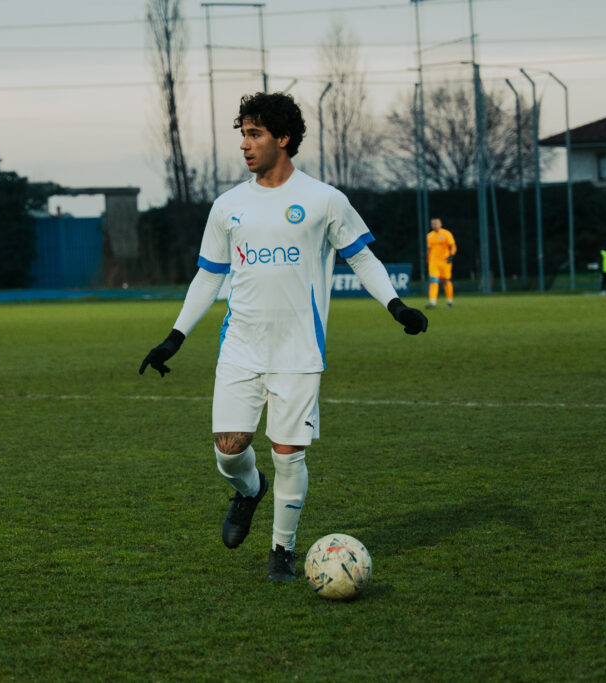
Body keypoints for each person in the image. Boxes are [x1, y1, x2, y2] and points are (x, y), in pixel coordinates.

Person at [138, 92, 428, 583]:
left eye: (255, 134)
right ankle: (250, 490)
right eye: (243, 135)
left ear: (284, 138)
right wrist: (174, 337)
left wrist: (395, 305)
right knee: (229, 451)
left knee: (289, 454)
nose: (245, 145)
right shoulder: (228, 206)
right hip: (241, 347)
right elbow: (208, 276)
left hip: (299, 350)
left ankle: (282, 551)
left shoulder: (325, 200)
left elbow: (361, 257)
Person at [426, 217, 457, 308]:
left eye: (436, 223)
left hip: (445, 261)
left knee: (446, 280)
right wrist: (428, 259)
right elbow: (429, 249)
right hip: (433, 262)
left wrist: (451, 256)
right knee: (434, 280)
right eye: (433, 223)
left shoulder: (446, 233)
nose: (435, 225)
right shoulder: (429, 235)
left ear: (441, 224)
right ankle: (432, 302)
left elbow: (453, 246)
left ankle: (449, 300)